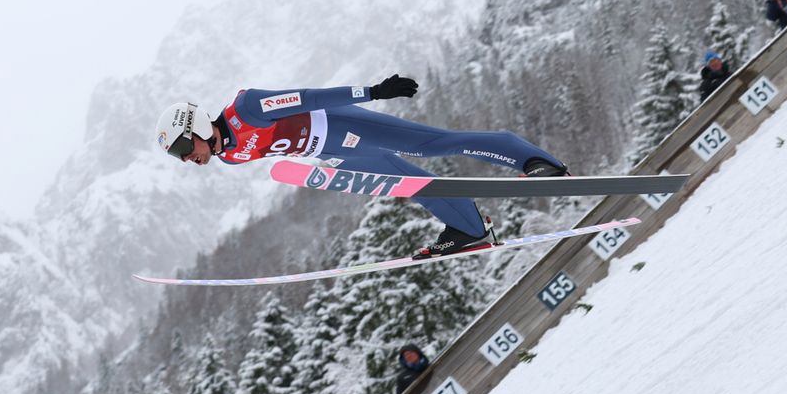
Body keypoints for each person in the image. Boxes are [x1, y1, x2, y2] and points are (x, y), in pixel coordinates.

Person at [155, 76, 568, 258]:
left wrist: (372, 91)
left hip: (341, 124)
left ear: (199, 125)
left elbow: (307, 97)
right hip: (332, 151)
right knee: (410, 182)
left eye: (185, 146)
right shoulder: (228, 155)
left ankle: (534, 161)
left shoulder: (247, 108)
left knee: (432, 144)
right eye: (179, 156)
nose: (189, 158)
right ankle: (471, 229)